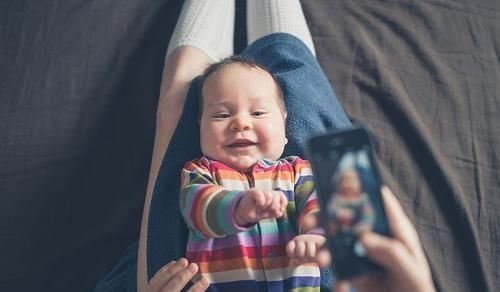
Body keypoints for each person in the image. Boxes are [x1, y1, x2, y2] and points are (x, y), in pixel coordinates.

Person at [178, 55, 326, 290]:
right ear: (200, 128)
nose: (241, 123)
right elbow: (197, 207)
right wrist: (237, 207)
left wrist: (316, 236)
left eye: (257, 113)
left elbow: (319, 205)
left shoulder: (298, 171)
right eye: (222, 115)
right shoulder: (200, 170)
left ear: (285, 127)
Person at [327, 168, 375, 235]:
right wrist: (337, 214)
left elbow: (368, 213)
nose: (348, 184)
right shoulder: (336, 198)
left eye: (352, 181)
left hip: (358, 227)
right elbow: (330, 209)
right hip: (338, 226)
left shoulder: (362, 199)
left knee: (366, 234)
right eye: (345, 181)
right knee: (331, 227)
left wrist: (365, 224)